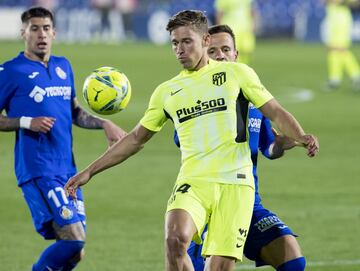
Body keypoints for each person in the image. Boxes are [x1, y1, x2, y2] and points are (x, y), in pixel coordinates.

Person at [64, 10, 319, 271]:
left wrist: (300, 135)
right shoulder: (167, 92)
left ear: (205, 40)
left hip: (236, 186)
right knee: (174, 239)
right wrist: (89, 172)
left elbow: (275, 111)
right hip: (194, 182)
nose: (179, 50)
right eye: (175, 43)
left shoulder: (237, 74)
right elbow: (135, 139)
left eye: (187, 41)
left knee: (218, 267)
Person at [0, 7, 125, 271]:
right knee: (73, 240)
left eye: (46, 28)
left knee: (74, 253)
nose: (41, 34)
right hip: (38, 169)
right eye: (34, 28)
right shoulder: (11, 71)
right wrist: (26, 122)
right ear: (23, 33)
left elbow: (74, 112)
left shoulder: (62, 66)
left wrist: (104, 123)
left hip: (67, 171)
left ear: (54, 33)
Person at [178, 24, 306, 271]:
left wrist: (284, 142)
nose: (221, 55)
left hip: (248, 201)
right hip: (211, 205)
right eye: (213, 50)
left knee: (292, 259)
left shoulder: (254, 98)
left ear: (236, 55)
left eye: (226, 49)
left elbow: (269, 148)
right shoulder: (195, 100)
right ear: (204, 54)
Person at [324, 0, 360, 91]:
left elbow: (355, 2)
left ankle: (356, 75)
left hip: (341, 17)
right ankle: (335, 78)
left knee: (340, 49)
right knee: (332, 50)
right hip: (333, 14)